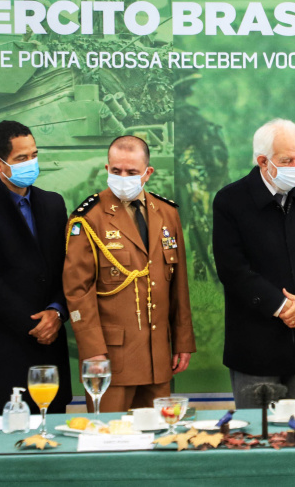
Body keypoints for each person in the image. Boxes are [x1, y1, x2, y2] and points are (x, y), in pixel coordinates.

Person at [64, 135, 196, 412]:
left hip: (158, 358)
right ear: (107, 169)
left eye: (132, 172)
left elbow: (178, 284)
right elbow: (78, 291)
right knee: (110, 435)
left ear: (148, 173)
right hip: (110, 360)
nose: (123, 178)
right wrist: (92, 351)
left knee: (159, 433)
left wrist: (182, 341)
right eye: (116, 171)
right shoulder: (88, 218)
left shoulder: (167, 213)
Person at [213, 119, 295, 408]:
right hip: (254, 350)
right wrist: (282, 307)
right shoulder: (231, 201)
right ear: (263, 161)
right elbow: (232, 269)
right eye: (286, 161)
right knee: (259, 431)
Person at [0, 120, 72, 416]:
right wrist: (36, 325)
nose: (31, 163)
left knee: (51, 438)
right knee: (1, 440)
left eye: (34, 155)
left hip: (50, 352)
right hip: (1, 354)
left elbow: (69, 267)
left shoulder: (53, 204)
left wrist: (57, 312)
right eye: (22, 158)